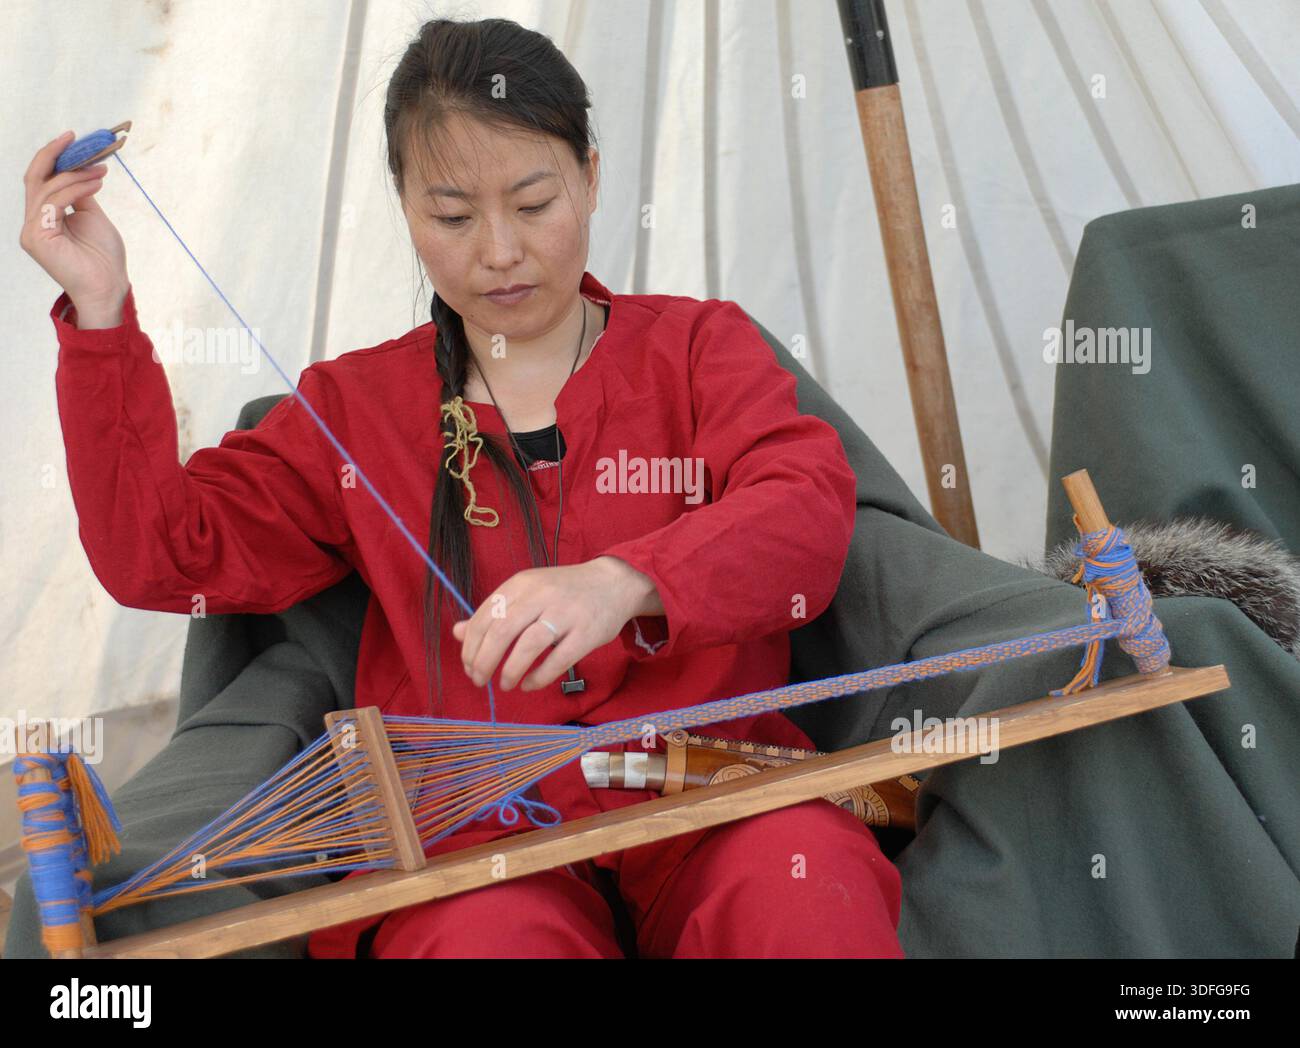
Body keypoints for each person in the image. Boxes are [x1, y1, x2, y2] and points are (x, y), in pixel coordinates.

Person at [20, 16, 903, 959]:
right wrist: (103, 313)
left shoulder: (699, 350)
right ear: (403, 207)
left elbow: (805, 510)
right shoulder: (353, 411)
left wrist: (622, 581)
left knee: (804, 886)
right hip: (474, 842)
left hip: (711, 795)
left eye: (534, 203)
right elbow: (164, 555)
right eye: (451, 216)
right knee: (487, 943)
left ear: (593, 178)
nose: (499, 252)